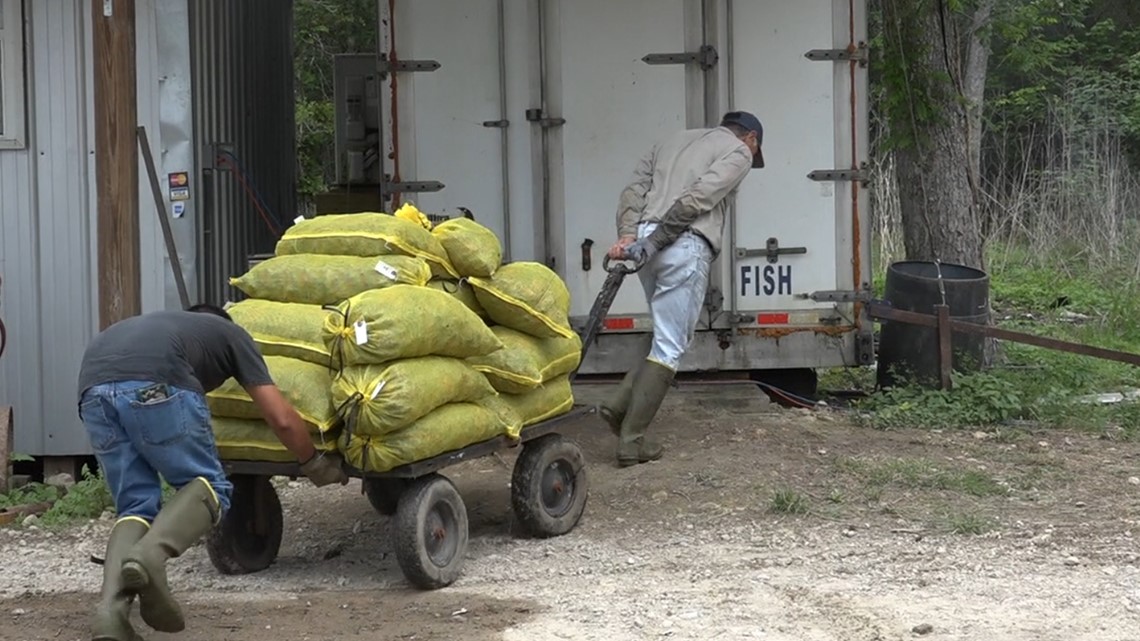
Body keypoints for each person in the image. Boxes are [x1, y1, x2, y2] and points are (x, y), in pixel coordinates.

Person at [78, 303, 348, 641]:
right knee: (210, 486)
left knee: (134, 506)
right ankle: (150, 555)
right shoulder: (231, 334)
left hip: (91, 387)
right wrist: (313, 462)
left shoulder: (160, 326)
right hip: (156, 381)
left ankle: (110, 615)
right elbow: (280, 417)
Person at [600, 111, 765, 467]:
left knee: (663, 333)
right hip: (681, 244)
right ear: (750, 138)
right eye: (756, 148)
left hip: (644, 239)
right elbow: (699, 198)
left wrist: (631, 236)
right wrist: (660, 240)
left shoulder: (670, 140)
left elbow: (633, 190)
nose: (753, 154)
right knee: (671, 345)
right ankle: (632, 441)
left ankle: (617, 408)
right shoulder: (738, 153)